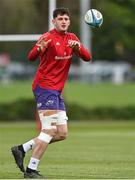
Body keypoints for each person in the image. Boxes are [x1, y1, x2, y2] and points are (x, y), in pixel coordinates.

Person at [11, 7, 92, 179]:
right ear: (53, 21)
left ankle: (22, 149)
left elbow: (87, 57)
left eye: (66, 19)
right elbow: (31, 56)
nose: (63, 21)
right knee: (48, 130)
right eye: (60, 19)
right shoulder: (47, 37)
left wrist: (78, 48)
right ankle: (31, 170)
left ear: (69, 22)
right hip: (44, 87)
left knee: (61, 133)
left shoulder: (72, 39)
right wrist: (39, 48)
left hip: (56, 91)